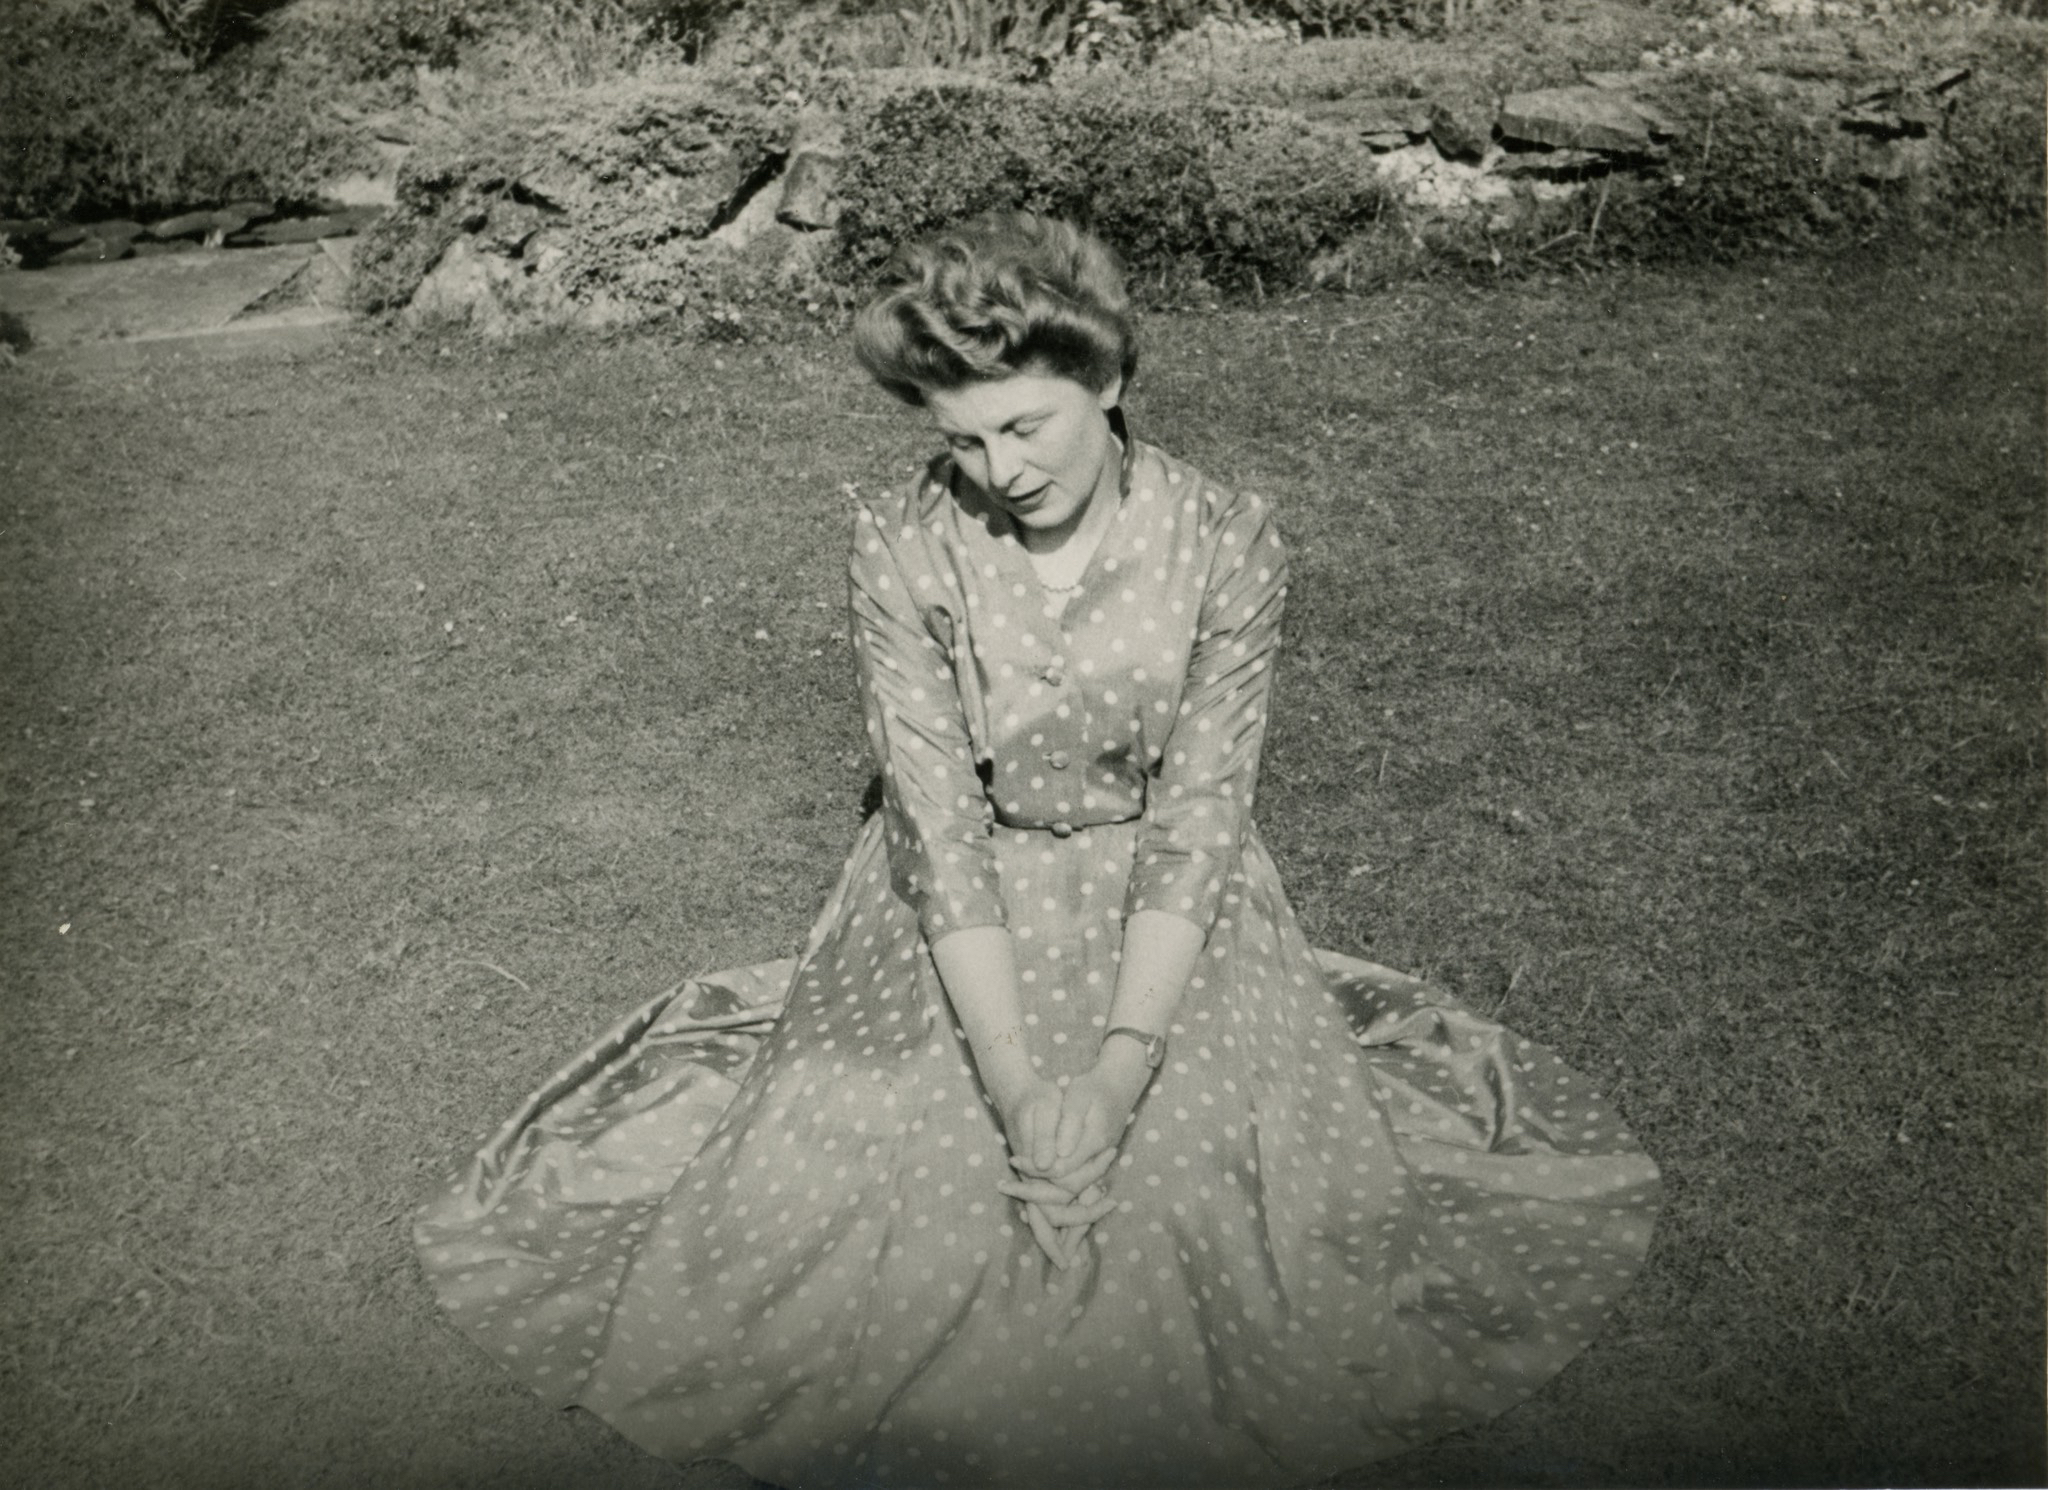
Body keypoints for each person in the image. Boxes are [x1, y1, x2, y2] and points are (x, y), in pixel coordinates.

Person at [415, 213, 1662, 1490]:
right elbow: (934, 817)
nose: (998, 470)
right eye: (961, 440)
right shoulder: (900, 540)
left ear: (1106, 379)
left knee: (1189, 1188)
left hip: (1167, 900)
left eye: (1023, 426)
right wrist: (1015, 1086)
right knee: (896, 1201)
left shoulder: (1225, 539)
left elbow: (1200, 814)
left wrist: (1118, 1071)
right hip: (957, 904)